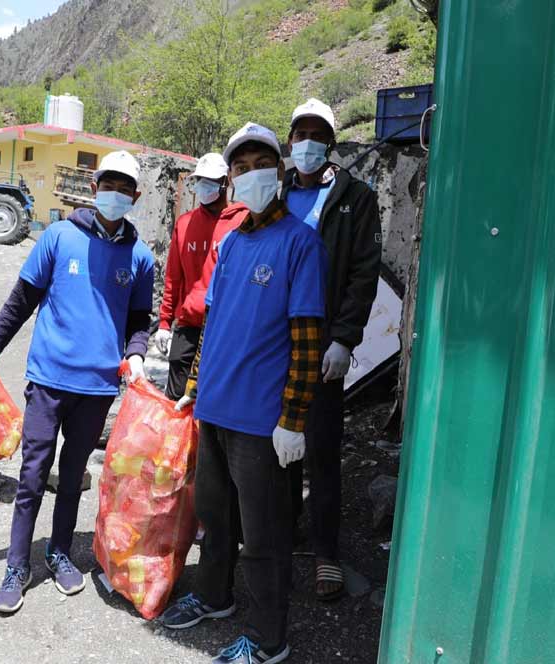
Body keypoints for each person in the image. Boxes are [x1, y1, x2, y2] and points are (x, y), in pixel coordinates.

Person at [160, 124, 327, 664]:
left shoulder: (300, 242)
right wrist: (193, 388)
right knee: (215, 518)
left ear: (279, 173)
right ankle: (214, 597)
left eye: (261, 165)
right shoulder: (232, 243)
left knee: (263, 537)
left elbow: (307, 339)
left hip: (261, 423)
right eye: (241, 167)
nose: (251, 175)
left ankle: (267, 639)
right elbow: (212, 326)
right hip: (215, 410)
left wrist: (293, 420)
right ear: (231, 178)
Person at [0, 150, 155, 614]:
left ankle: (59, 551)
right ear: (94, 188)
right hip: (49, 380)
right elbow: (20, 302)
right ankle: (16, 565)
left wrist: (136, 353)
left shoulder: (140, 256)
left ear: (135, 196)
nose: (114, 193)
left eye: (124, 188)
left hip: (98, 388)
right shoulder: (58, 237)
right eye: (108, 184)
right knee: (32, 474)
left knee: (73, 477)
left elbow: (139, 320)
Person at [283, 99, 382, 601]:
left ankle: (326, 552)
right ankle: (281, 533)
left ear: (332, 143)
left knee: (321, 449)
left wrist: (345, 337)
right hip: (273, 343)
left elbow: (364, 272)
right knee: (273, 446)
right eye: (300, 133)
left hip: (322, 345)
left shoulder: (355, 197)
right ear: (289, 140)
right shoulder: (274, 192)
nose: (308, 142)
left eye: (317, 134)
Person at [155, 153, 241, 400]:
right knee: (176, 401)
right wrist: (164, 323)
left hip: (224, 328)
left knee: (214, 401)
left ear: (226, 181)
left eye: (210, 180)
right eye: (200, 180)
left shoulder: (242, 221)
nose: (204, 185)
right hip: (188, 326)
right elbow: (173, 277)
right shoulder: (185, 223)